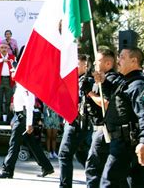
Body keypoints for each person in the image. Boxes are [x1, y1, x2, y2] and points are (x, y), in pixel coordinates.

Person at [101, 47, 144, 187]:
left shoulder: (139, 85)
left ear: (134, 60)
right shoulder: (125, 82)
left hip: (126, 143)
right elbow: (117, 98)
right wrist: (103, 82)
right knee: (137, 180)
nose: (118, 60)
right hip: (120, 141)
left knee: (108, 182)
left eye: (122, 57)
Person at [0, 82, 54, 179]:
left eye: (14, 70)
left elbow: (29, 106)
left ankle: (7, 170)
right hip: (20, 116)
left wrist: (29, 124)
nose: (12, 72)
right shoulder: (19, 85)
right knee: (32, 144)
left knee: (14, 144)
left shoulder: (26, 85)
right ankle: (47, 167)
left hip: (23, 118)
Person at [85, 48, 120, 187]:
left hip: (104, 129)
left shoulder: (111, 79)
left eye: (98, 60)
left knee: (93, 168)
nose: (94, 63)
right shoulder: (100, 79)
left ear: (108, 63)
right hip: (98, 127)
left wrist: (90, 94)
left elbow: (106, 103)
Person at [58, 54, 93, 188]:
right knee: (81, 154)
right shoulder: (75, 79)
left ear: (85, 65)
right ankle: (98, 180)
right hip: (75, 122)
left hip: (78, 122)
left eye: (77, 64)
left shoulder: (86, 81)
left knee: (64, 155)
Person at [0, 43, 16, 121]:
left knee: (9, 100)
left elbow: (16, 66)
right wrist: (2, 60)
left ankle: (9, 117)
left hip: (9, 80)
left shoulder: (12, 57)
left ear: (8, 49)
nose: (4, 49)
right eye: (2, 47)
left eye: (5, 47)